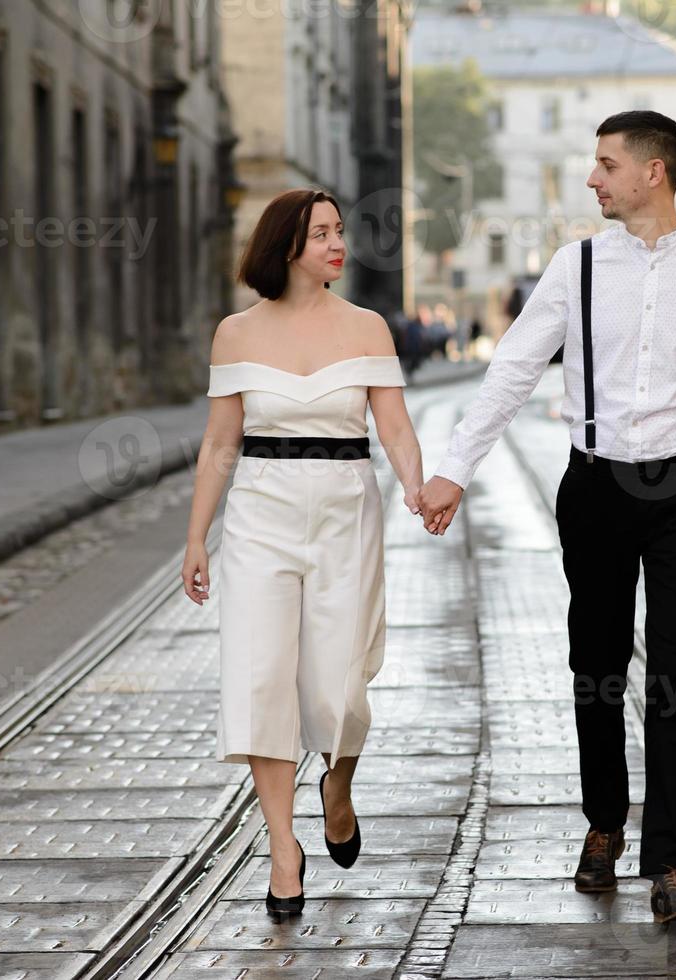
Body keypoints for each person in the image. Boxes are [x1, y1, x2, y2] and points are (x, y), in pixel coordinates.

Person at [416, 111, 676, 925]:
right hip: (597, 488)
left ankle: (672, 864)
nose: (592, 178)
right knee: (598, 665)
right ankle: (605, 824)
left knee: (674, 675)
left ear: (654, 173)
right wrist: (454, 470)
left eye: (606, 164)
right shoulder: (573, 267)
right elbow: (512, 369)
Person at [182, 188, 426, 920]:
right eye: (321, 233)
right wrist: (197, 536)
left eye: (339, 231)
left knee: (339, 684)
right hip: (261, 513)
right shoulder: (236, 334)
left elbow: (395, 427)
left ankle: (338, 787)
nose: (337, 243)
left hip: (347, 509)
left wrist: (419, 488)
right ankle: (282, 849)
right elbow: (221, 442)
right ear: (286, 245)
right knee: (260, 678)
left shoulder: (367, 328)